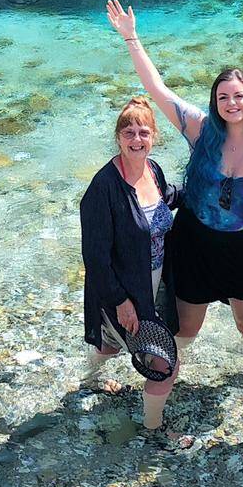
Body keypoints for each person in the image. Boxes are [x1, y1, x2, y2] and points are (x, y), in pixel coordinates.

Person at [106, 0, 243, 390]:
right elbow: (156, 89)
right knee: (187, 325)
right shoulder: (200, 129)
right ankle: (171, 369)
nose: (231, 103)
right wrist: (131, 38)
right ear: (214, 102)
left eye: (238, 95)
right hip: (197, 242)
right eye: (223, 97)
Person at [79, 97, 190, 446]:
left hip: (155, 282)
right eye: (129, 132)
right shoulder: (103, 189)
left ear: (155, 136)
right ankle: (154, 429)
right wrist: (121, 302)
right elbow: (95, 257)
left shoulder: (153, 170)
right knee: (165, 364)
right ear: (118, 137)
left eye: (144, 132)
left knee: (111, 344)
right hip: (122, 290)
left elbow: (168, 198)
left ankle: (89, 379)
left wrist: (211, 188)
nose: (136, 139)